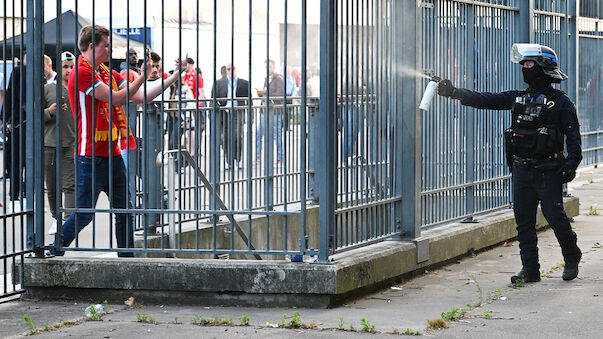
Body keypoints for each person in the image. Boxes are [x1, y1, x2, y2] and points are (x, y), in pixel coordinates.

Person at [437, 43, 582, 282]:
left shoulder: (561, 102)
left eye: (528, 64)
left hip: (547, 170)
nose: (524, 68)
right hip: (522, 169)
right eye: (523, 64)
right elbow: (486, 100)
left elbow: (573, 137)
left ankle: (571, 255)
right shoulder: (519, 98)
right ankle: (530, 269)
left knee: (555, 216)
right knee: (523, 220)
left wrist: (571, 164)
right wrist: (454, 92)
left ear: (542, 67)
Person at [52, 25, 183, 256]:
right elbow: (118, 99)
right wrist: (142, 76)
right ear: (92, 47)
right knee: (84, 213)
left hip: (111, 154)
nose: (110, 48)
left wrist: (173, 77)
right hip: (89, 156)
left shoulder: (107, 73)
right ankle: (55, 247)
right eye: (106, 45)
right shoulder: (81, 73)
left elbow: (140, 97)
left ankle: (126, 257)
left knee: (124, 210)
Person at [42, 51, 76, 234]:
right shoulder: (48, 89)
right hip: (50, 143)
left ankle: (67, 221)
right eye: (65, 67)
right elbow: (34, 115)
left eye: (72, 67)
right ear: (58, 68)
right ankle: (56, 218)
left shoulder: (79, 89)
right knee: (52, 186)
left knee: (70, 184)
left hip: (71, 142)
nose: (69, 70)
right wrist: (50, 111)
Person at [211, 63, 249, 170]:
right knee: (226, 137)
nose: (230, 71)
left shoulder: (244, 83)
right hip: (224, 112)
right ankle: (229, 161)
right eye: (228, 69)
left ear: (236, 70)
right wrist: (212, 116)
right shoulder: (218, 83)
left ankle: (238, 159)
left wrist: (251, 117)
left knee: (238, 136)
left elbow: (249, 101)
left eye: (232, 69)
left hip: (238, 111)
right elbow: (213, 99)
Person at [2, 54, 26, 212]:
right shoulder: (18, 72)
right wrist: (5, 119)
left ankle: (20, 197)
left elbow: (9, 96)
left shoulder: (35, 73)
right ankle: (16, 197)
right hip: (20, 121)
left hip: (22, 120)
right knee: (18, 160)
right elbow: (10, 95)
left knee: (22, 161)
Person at [255, 59, 285, 165]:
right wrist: (260, 93)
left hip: (275, 112)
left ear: (274, 67)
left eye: (270, 66)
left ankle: (280, 159)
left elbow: (280, 95)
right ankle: (258, 158)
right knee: (259, 132)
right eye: (266, 67)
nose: (267, 69)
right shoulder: (267, 79)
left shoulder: (279, 79)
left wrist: (265, 93)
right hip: (264, 111)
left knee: (277, 135)